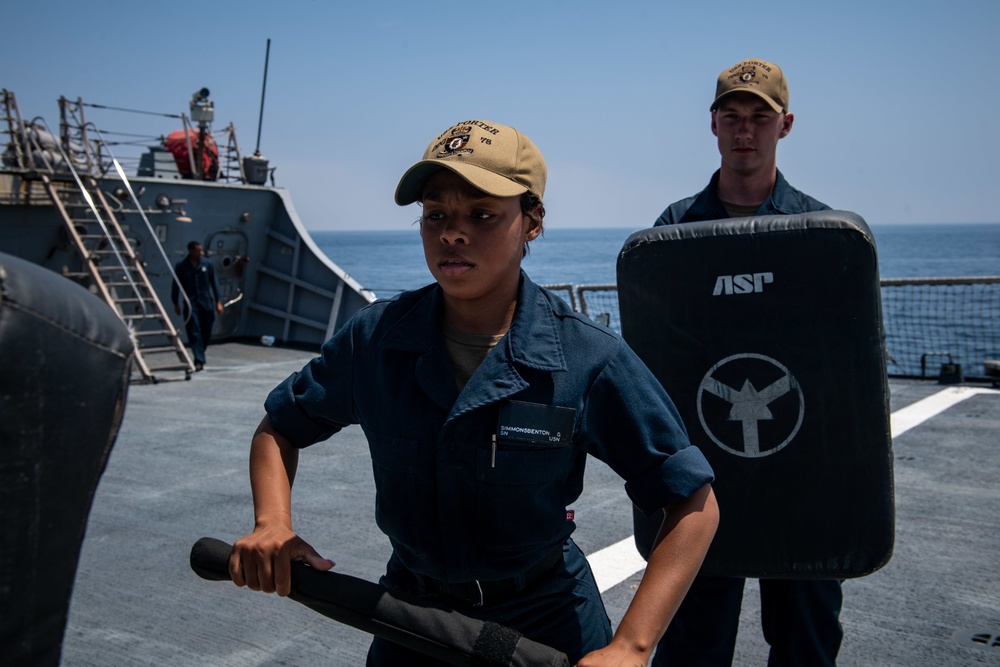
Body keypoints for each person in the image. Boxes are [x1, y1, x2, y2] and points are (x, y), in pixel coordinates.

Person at [229, 119, 720, 666]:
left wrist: (631, 645)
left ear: (532, 221)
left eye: (482, 215)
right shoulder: (375, 340)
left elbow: (692, 501)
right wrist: (272, 522)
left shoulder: (586, 355)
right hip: (413, 616)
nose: (452, 234)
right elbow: (280, 428)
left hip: (546, 622)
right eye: (435, 215)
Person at [650, 58, 841, 666]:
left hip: (800, 475)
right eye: (731, 116)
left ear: (785, 126)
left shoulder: (819, 231)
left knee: (807, 639)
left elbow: (842, 364)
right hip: (706, 472)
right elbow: (660, 355)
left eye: (759, 118)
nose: (744, 130)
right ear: (712, 124)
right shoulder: (674, 231)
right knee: (692, 645)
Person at [171, 241, 223, 371]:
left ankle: (200, 352)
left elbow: (214, 283)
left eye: (201, 250)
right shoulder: (182, 266)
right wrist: (175, 303)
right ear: (190, 251)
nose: (201, 253)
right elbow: (176, 286)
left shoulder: (207, 264)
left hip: (206, 302)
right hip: (190, 303)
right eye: (198, 250)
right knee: (194, 331)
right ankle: (199, 360)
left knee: (206, 329)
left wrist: (218, 301)